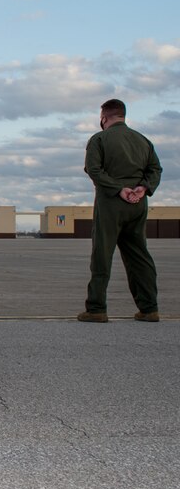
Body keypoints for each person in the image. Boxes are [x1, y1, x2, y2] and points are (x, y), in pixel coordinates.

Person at [78, 99, 162, 323]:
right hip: (138, 203)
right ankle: (149, 308)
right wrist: (143, 188)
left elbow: (93, 169)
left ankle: (96, 309)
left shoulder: (99, 139)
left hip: (111, 203)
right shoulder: (143, 140)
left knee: (102, 255)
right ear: (123, 116)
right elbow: (155, 169)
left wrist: (119, 189)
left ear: (104, 118)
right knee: (139, 255)